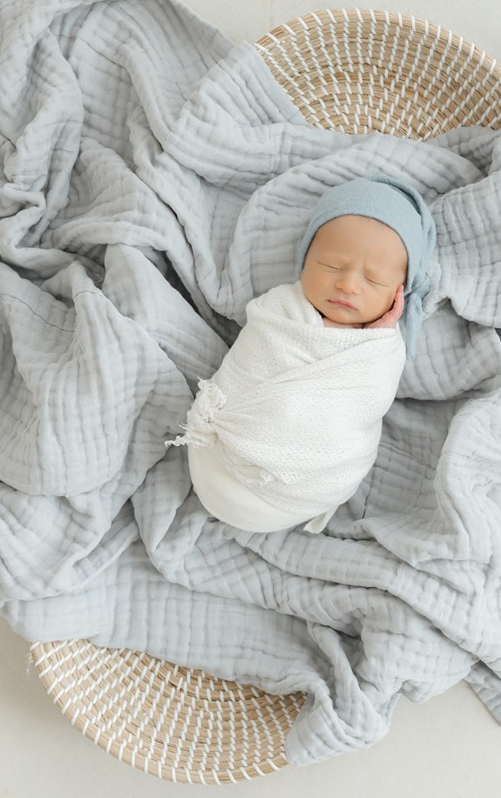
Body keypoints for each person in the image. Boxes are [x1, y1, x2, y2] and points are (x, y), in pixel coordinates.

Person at [168, 176, 436, 533]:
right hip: (217, 462)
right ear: (305, 259)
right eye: (332, 266)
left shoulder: (380, 352)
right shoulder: (278, 312)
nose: (348, 284)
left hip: (305, 490)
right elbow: (249, 364)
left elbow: (364, 404)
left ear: (399, 294)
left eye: (374, 280)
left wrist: (380, 336)